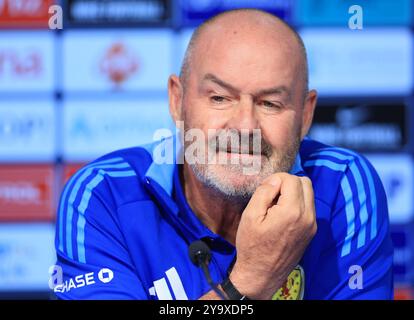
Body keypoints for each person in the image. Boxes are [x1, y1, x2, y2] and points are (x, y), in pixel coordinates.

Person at [52, 9, 393, 300]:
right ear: (177, 101)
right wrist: (248, 280)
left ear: (305, 116)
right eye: (219, 98)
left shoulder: (343, 185)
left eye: (270, 103)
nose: (245, 127)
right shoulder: (101, 195)